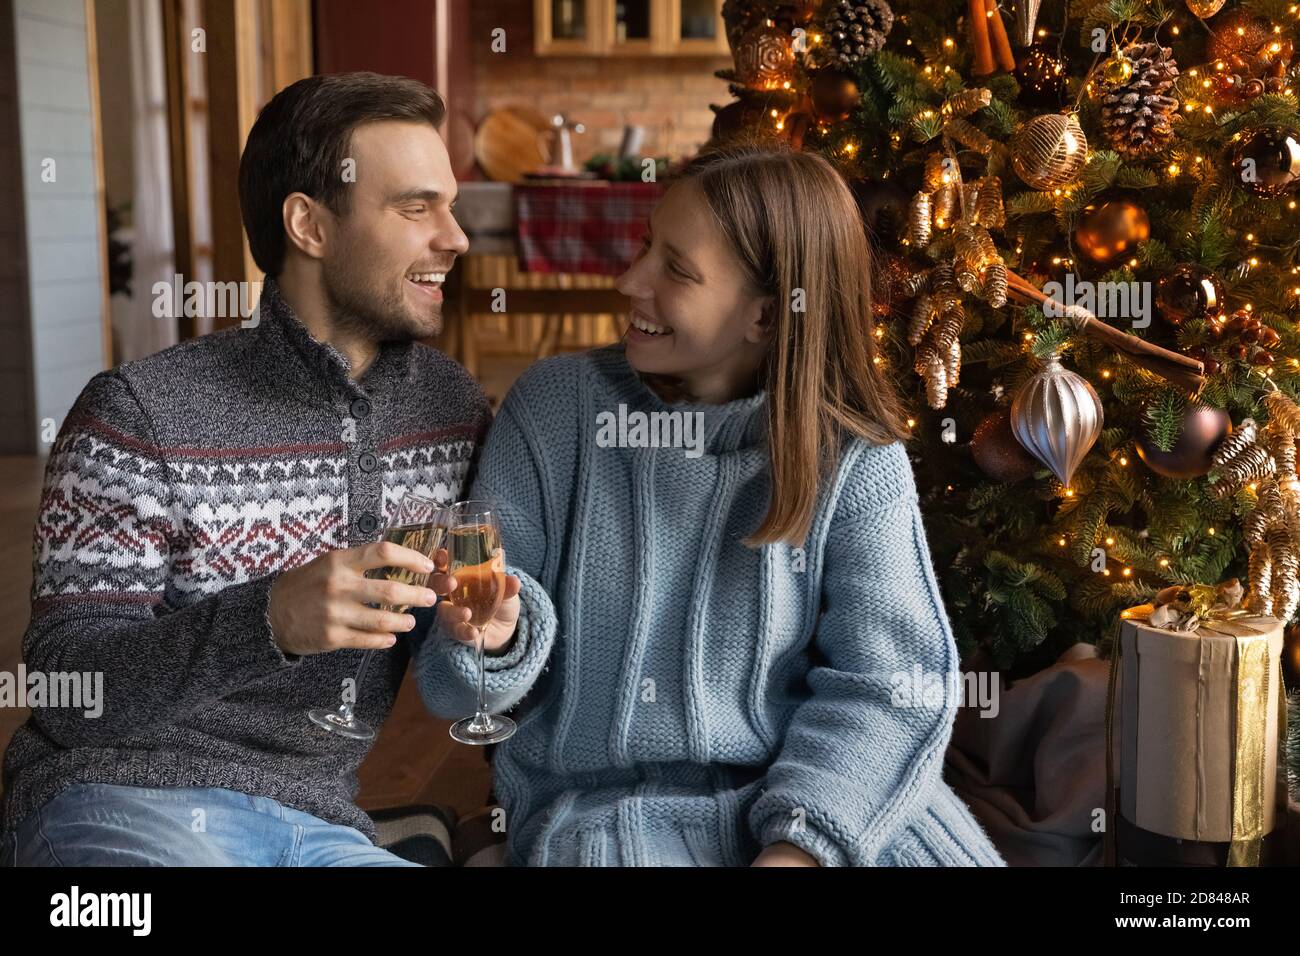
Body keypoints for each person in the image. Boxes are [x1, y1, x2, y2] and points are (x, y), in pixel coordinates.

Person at [415, 139, 1006, 867]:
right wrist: (495, 639)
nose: (630, 280)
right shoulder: (555, 411)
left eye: (676, 270)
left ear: (765, 315)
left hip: (823, 808)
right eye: (644, 246)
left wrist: (797, 850)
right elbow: (450, 689)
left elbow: (894, 690)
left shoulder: (855, 459)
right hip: (607, 810)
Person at [0, 72, 486, 866]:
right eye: (415, 208)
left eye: (450, 206)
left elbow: (455, 659)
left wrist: (482, 638)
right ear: (310, 225)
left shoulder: (452, 411)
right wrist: (265, 621)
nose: (455, 237)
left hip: (323, 822)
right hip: (121, 801)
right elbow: (66, 688)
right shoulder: (137, 412)